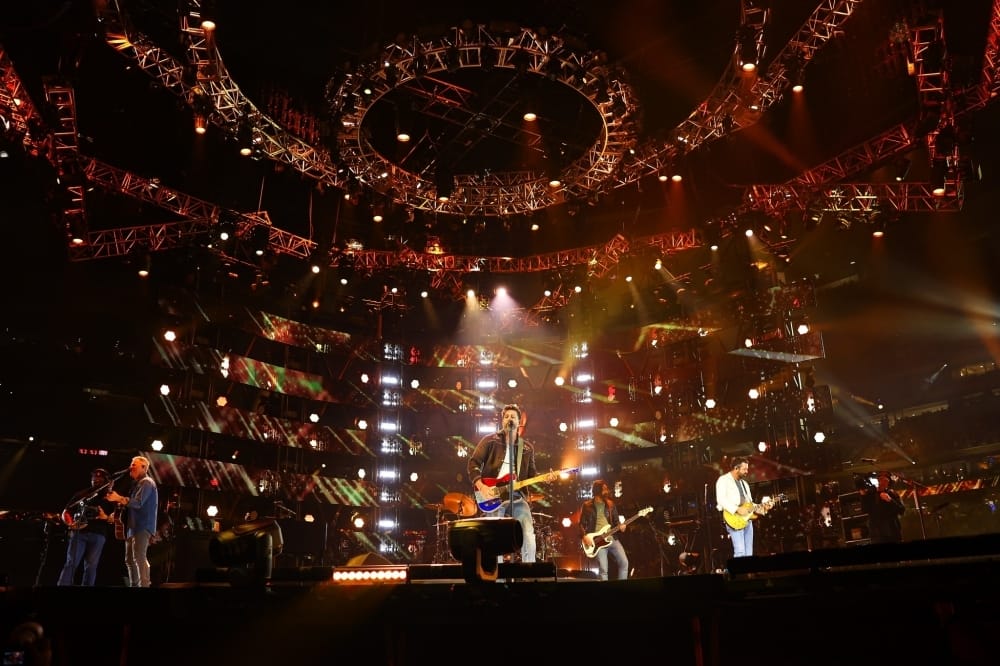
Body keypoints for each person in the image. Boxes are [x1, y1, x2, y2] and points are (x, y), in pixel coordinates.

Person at [467, 404, 554, 563]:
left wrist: (545, 478)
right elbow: (473, 463)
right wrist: (481, 486)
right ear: (502, 421)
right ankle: (497, 574)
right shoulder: (490, 441)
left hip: (517, 496)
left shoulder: (527, 448)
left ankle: (529, 570)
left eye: (513, 417)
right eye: (506, 416)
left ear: (519, 422)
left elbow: (532, 475)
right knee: (495, 536)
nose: (509, 419)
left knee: (528, 532)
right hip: (493, 494)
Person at [57, 468, 119, 586]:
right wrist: (70, 523)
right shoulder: (82, 494)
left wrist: (105, 517)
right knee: (71, 563)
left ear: (106, 480)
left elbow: (116, 518)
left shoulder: (111, 498)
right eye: (94, 477)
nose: (96, 479)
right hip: (79, 533)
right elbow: (66, 511)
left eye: (100, 478)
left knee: (91, 566)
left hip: (98, 535)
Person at [107, 456, 158, 587]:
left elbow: (138, 503)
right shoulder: (136, 484)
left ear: (144, 468)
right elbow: (130, 504)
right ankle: (134, 586)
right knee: (129, 560)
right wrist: (117, 511)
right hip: (133, 526)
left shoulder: (147, 482)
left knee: (139, 557)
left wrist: (118, 498)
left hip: (142, 525)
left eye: (134, 464)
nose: (131, 467)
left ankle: (144, 586)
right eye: (131, 464)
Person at [578, 479, 629, 581]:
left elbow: (616, 521)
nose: (607, 491)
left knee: (624, 563)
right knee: (603, 570)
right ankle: (605, 590)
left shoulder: (611, 504)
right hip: (597, 541)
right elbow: (581, 524)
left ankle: (622, 588)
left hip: (612, 537)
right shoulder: (587, 505)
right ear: (598, 490)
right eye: (604, 489)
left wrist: (621, 527)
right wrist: (585, 537)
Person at [715, 457, 759, 559]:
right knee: (740, 552)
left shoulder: (745, 484)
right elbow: (721, 499)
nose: (747, 471)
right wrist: (737, 509)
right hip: (734, 519)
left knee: (749, 552)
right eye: (744, 469)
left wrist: (760, 507)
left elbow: (750, 503)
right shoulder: (723, 480)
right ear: (736, 468)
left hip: (747, 520)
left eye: (747, 469)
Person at [859, 471, 905, 543]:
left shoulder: (892, 494)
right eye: (880, 479)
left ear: (889, 482)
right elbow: (864, 510)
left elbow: (901, 510)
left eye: (885, 480)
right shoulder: (871, 495)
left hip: (892, 532)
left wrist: (890, 500)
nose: (881, 482)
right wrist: (863, 496)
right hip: (877, 534)